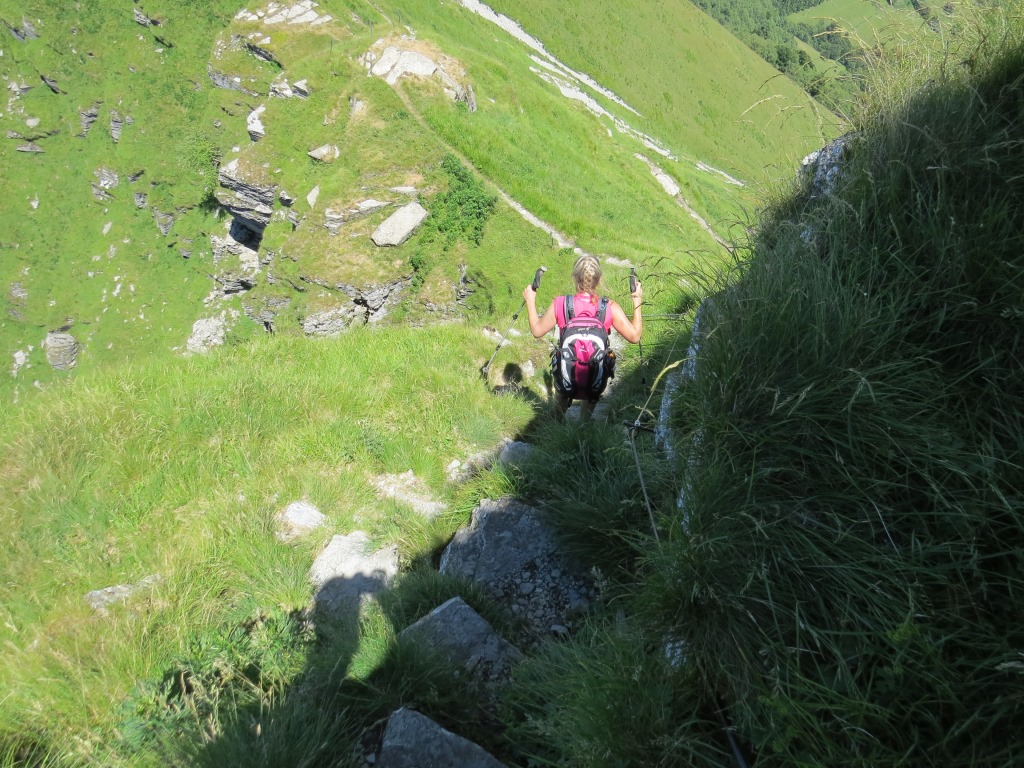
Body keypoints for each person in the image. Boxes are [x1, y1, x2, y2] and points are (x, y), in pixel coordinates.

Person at [523, 255, 643, 418]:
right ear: (599, 279)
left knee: (559, 403)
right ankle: (584, 426)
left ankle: (557, 425)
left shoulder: (561, 303)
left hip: (567, 373)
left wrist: (531, 301)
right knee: (595, 373)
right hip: (595, 378)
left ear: (574, 277)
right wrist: (637, 299)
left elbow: (537, 331)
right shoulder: (608, 307)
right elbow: (635, 336)